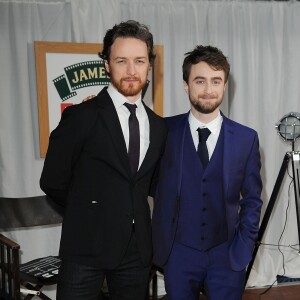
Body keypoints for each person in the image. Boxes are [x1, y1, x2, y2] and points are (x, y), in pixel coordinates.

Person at [40, 20, 167, 300]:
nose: (132, 71)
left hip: (137, 252)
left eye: (139, 61)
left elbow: (148, 185)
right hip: (85, 247)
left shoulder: (159, 127)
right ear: (107, 65)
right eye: (121, 61)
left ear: (149, 66)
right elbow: (52, 181)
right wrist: (91, 210)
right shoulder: (80, 117)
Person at [152, 45, 263, 299]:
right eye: (199, 81)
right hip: (178, 255)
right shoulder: (164, 132)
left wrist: (244, 245)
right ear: (186, 85)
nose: (208, 90)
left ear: (225, 86)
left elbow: (253, 199)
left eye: (216, 81)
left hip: (227, 256)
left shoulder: (246, 138)